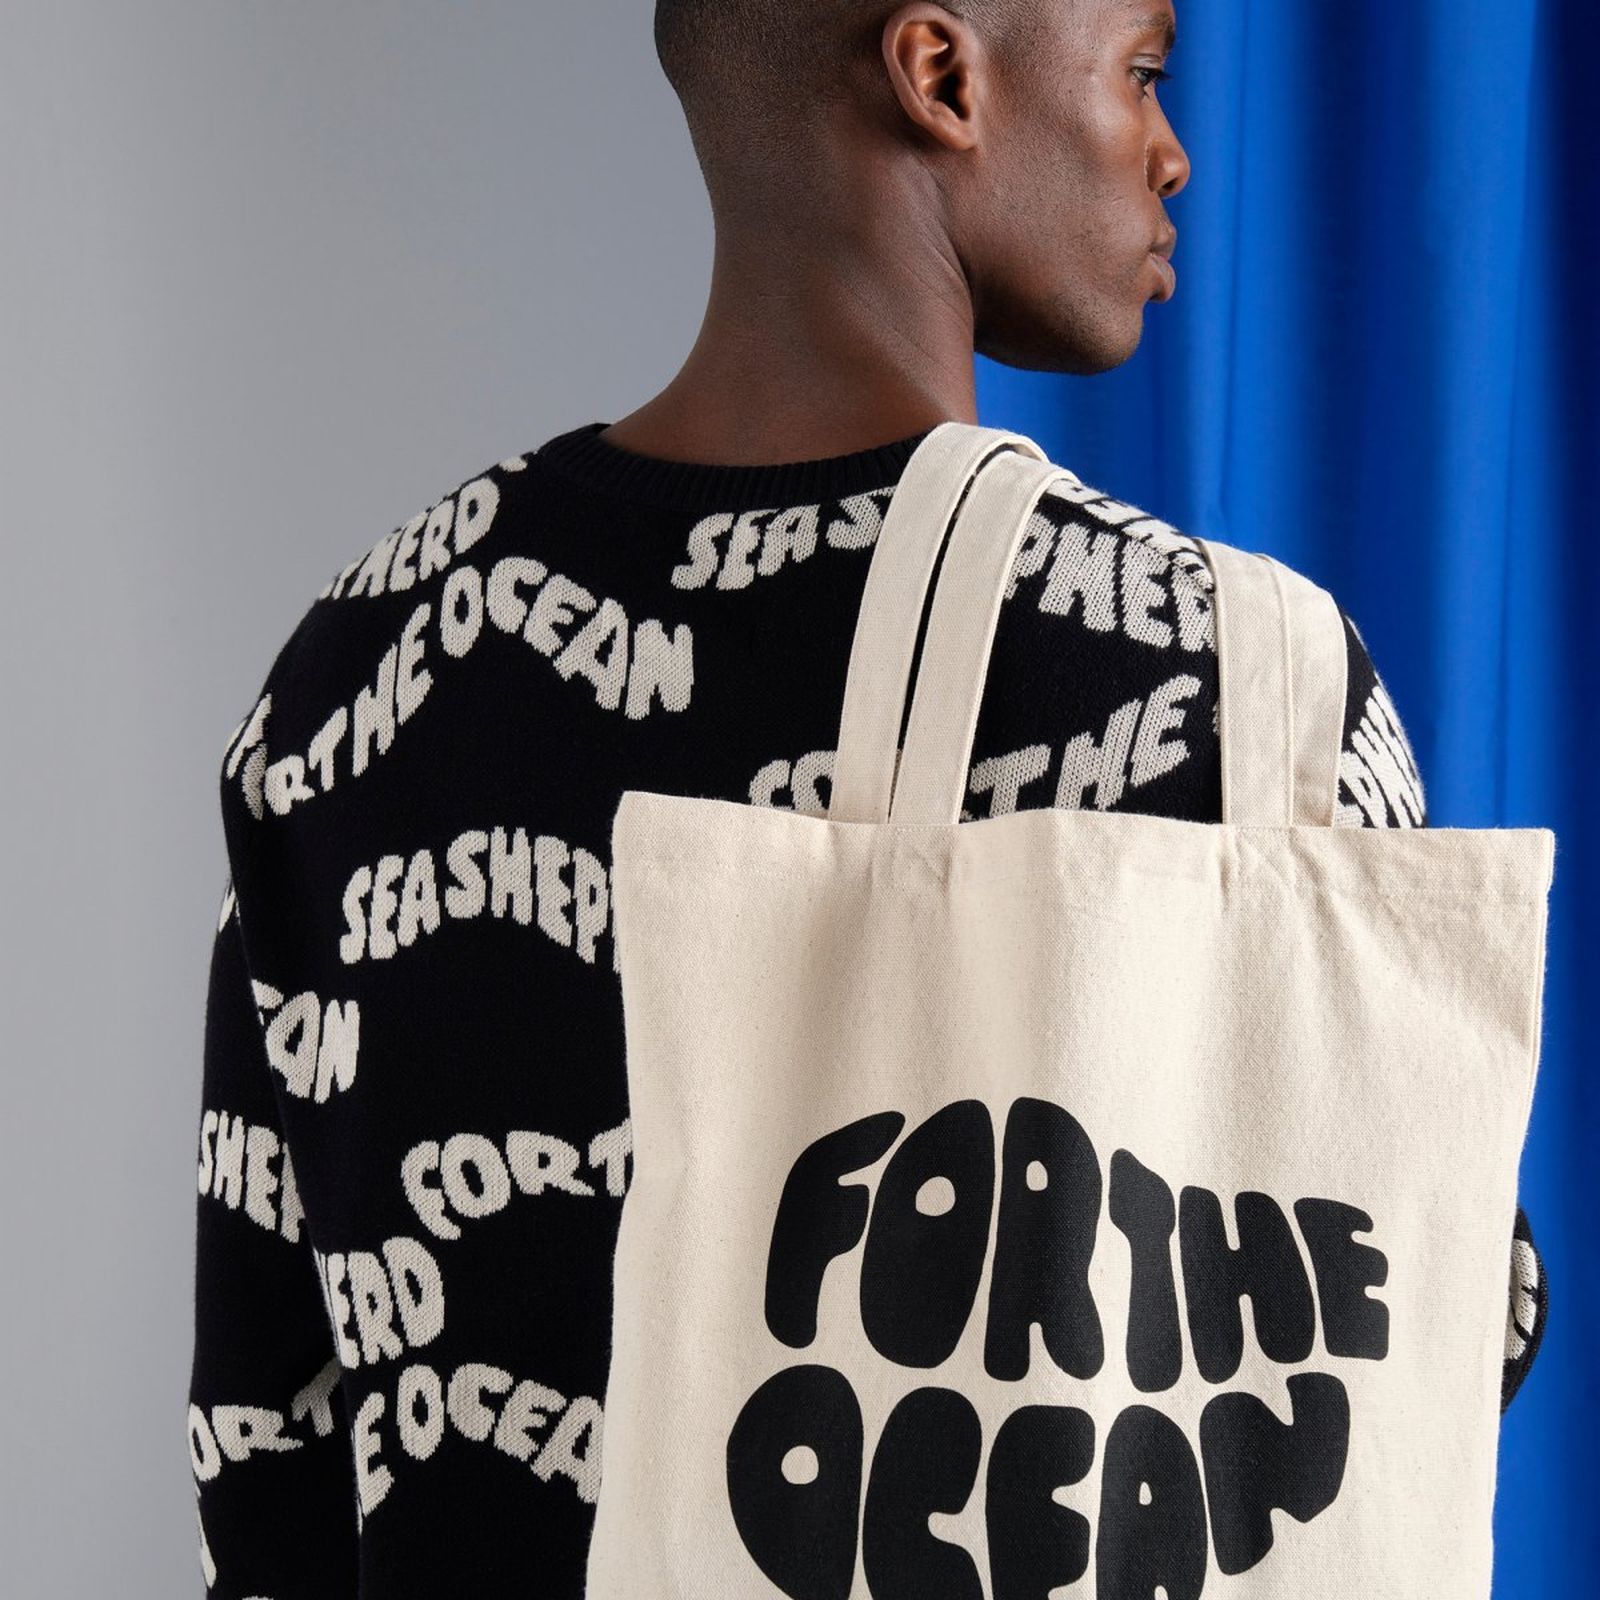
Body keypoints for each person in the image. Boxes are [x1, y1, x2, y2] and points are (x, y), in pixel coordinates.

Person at [187, 1, 1546, 1593]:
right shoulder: (1233, 683)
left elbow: (264, 1440)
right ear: (943, 76)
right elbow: (1445, 1333)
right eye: (1144, 70)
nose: (1174, 153)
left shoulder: (365, 664)